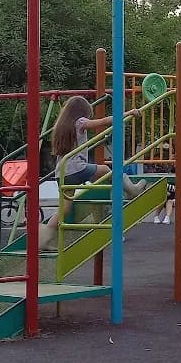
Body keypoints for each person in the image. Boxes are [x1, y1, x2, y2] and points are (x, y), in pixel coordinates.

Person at [40, 96, 146, 249]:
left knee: (64, 209)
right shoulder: (80, 122)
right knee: (105, 170)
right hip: (77, 168)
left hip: (62, 173)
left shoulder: (61, 126)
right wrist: (129, 113)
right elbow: (104, 121)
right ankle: (131, 189)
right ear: (81, 112)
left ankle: (43, 240)